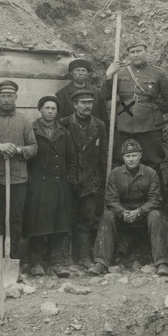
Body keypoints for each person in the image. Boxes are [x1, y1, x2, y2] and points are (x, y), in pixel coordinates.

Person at [102, 38, 168, 202]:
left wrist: (154, 112)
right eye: (132, 52)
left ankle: (156, 203)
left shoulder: (157, 73)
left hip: (149, 127)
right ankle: (122, 203)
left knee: (152, 163)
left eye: (138, 51)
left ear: (146, 51)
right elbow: (106, 96)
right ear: (128, 54)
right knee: (122, 163)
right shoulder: (119, 72)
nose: (135, 55)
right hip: (124, 125)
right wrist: (109, 75)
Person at [87, 139, 168, 276]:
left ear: (140, 155)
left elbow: (155, 200)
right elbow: (111, 200)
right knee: (107, 216)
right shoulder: (115, 173)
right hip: (122, 214)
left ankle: (162, 263)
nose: (131, 159)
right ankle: (101, 263)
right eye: (127, 156)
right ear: (123, 157)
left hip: (144, 214)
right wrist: (122, 212)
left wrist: (139, 212)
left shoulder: (151, 173)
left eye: (134, 155)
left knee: (157, 216)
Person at [0, 80, 38, 265]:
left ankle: (13, 262)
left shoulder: (24, 121)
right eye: (2, 96)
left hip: (18, 180)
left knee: (15, 223)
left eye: (9, 96)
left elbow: (34, 147)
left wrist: (19, 150)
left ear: (15, 97)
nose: (6, 99)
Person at [24, 96, 76, 277]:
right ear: (40, 110)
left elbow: (71, 159)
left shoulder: (64, 131)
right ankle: (36, 262)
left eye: (53, 108)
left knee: (58, 223)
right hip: (38, 185)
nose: (50, 111)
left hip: (59, 185)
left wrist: (68, 179)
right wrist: (30, 180)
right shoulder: (31, 129)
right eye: (47, 108)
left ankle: (55, 262)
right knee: (37, 223)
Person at [60, 89, 108, 269]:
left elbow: (103, 155)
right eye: (83, 102)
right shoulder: (64, 124)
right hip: (69, 180)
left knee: (87, 219)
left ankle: (84, 257)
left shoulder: (99, 125)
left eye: (90, 102)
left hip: (91, 181)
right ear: (75, 105)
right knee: (67, 218)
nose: (87, 106)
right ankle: (65, 257)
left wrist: (101, 181)